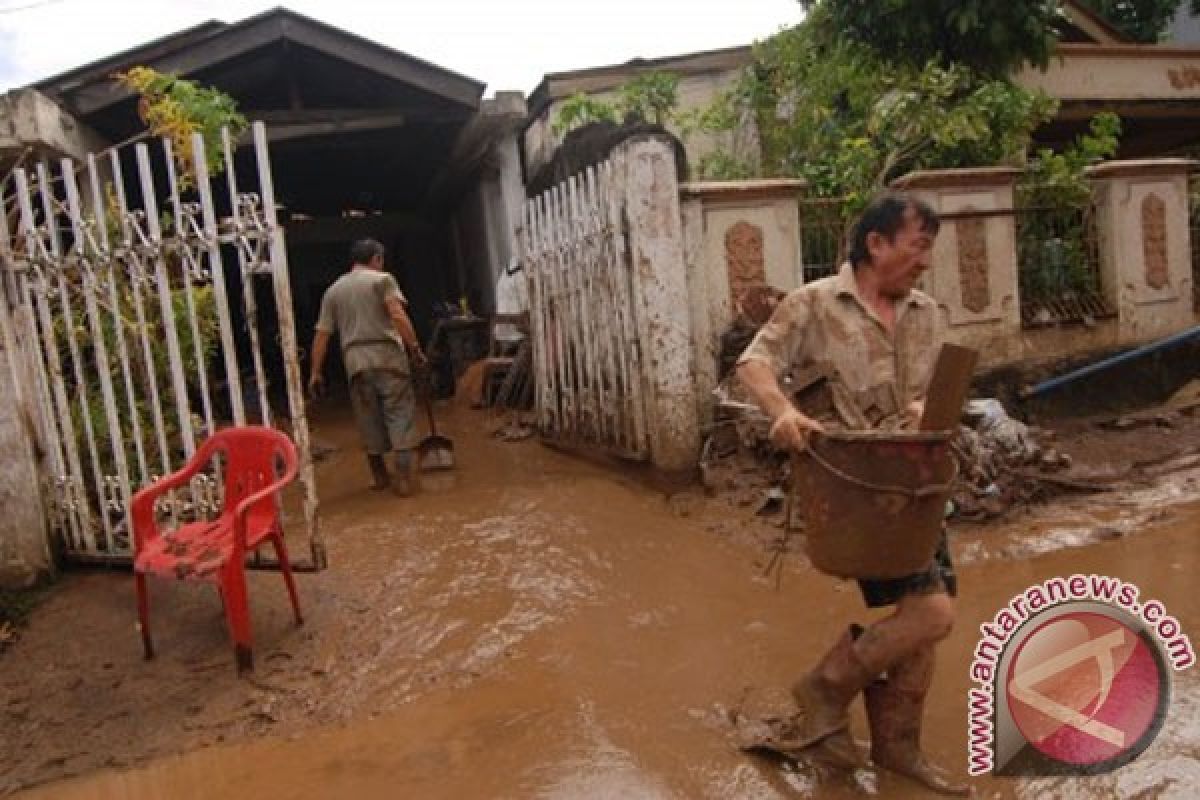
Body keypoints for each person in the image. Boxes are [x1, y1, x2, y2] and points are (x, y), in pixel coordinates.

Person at [736, 192, 967, 795]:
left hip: (918, 482)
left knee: (924, 615)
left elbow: (942, 393)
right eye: (917, 247)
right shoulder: (812, 304)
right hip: (855, 486)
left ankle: (897, 750)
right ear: (876, 243)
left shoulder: (927, 311)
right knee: (932, 612)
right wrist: (782, 413)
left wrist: (931, 407)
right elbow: (753, 364)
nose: (924, 262)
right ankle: (826, 685)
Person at [309, 238, 427, 496]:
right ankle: (404, 479)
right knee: (400, 417)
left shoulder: (333, 291)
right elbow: (397, 315)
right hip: (388, 359)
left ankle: (381, 478)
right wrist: (415, 348)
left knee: (368, 421)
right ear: (377, 259)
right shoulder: (382, 280)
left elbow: (322, 334)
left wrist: (315, 373)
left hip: (356, 365)